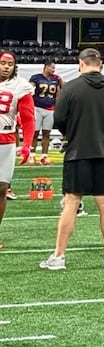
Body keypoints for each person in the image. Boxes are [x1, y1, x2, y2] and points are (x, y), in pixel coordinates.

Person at [43, 49, 104, 270]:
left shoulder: (70, 88)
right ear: (100, 65)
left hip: (78, 152)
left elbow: (59, 119)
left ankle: (59, 257)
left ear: (81, 64)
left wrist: (73, 132)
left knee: (71, 202)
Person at [0, 51, 35, 249]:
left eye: (10, 64)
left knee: (1, 189)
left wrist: (27, 145)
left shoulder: (19, 85)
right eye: (3, 63)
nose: (6, 67)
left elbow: (28, 117)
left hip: (5, 141)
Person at [27, 59, 61, 164]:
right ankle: (32, 155)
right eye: (52, 67)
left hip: (49, 109)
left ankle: (44, 156)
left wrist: (60, 79)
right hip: (37, 108)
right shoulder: (36, 77)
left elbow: (61, 91)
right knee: (35, 133)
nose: (53, 70)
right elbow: (29, 88)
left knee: (47, 133)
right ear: (46, 67)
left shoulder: (55, 79)